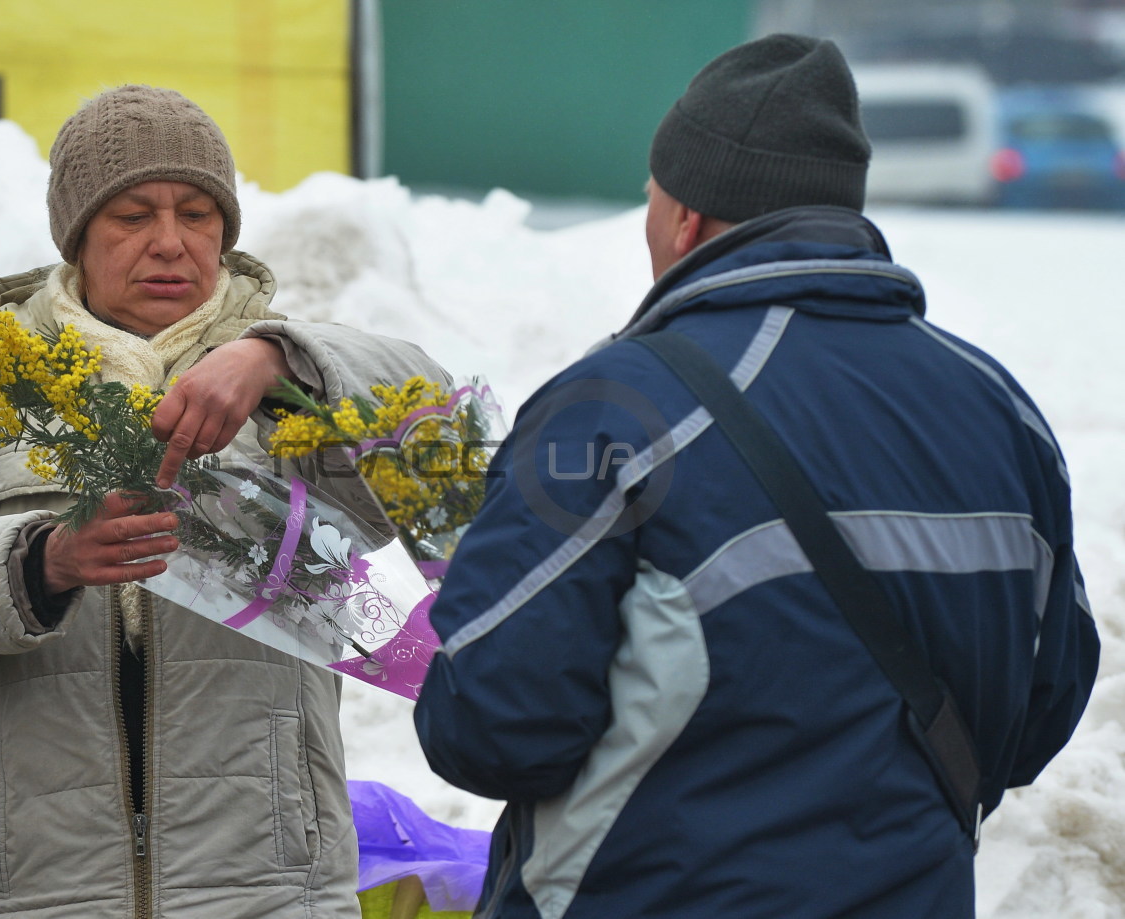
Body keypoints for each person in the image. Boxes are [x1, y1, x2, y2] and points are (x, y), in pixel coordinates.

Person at [412, 34, 1100, 919]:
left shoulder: (618, 406)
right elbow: (1046, 698)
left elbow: (494, 726)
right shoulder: (1004, 412)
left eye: (651, 204)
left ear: (686, 217)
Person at [0, 85, 448, 918]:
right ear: (77, 236)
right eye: (131, 215)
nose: (170, 243)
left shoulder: (299, 383)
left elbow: (440, 428)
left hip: (264, 888)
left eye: (197, 214)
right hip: (29, 891)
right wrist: (38, 562)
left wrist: (278, 356)